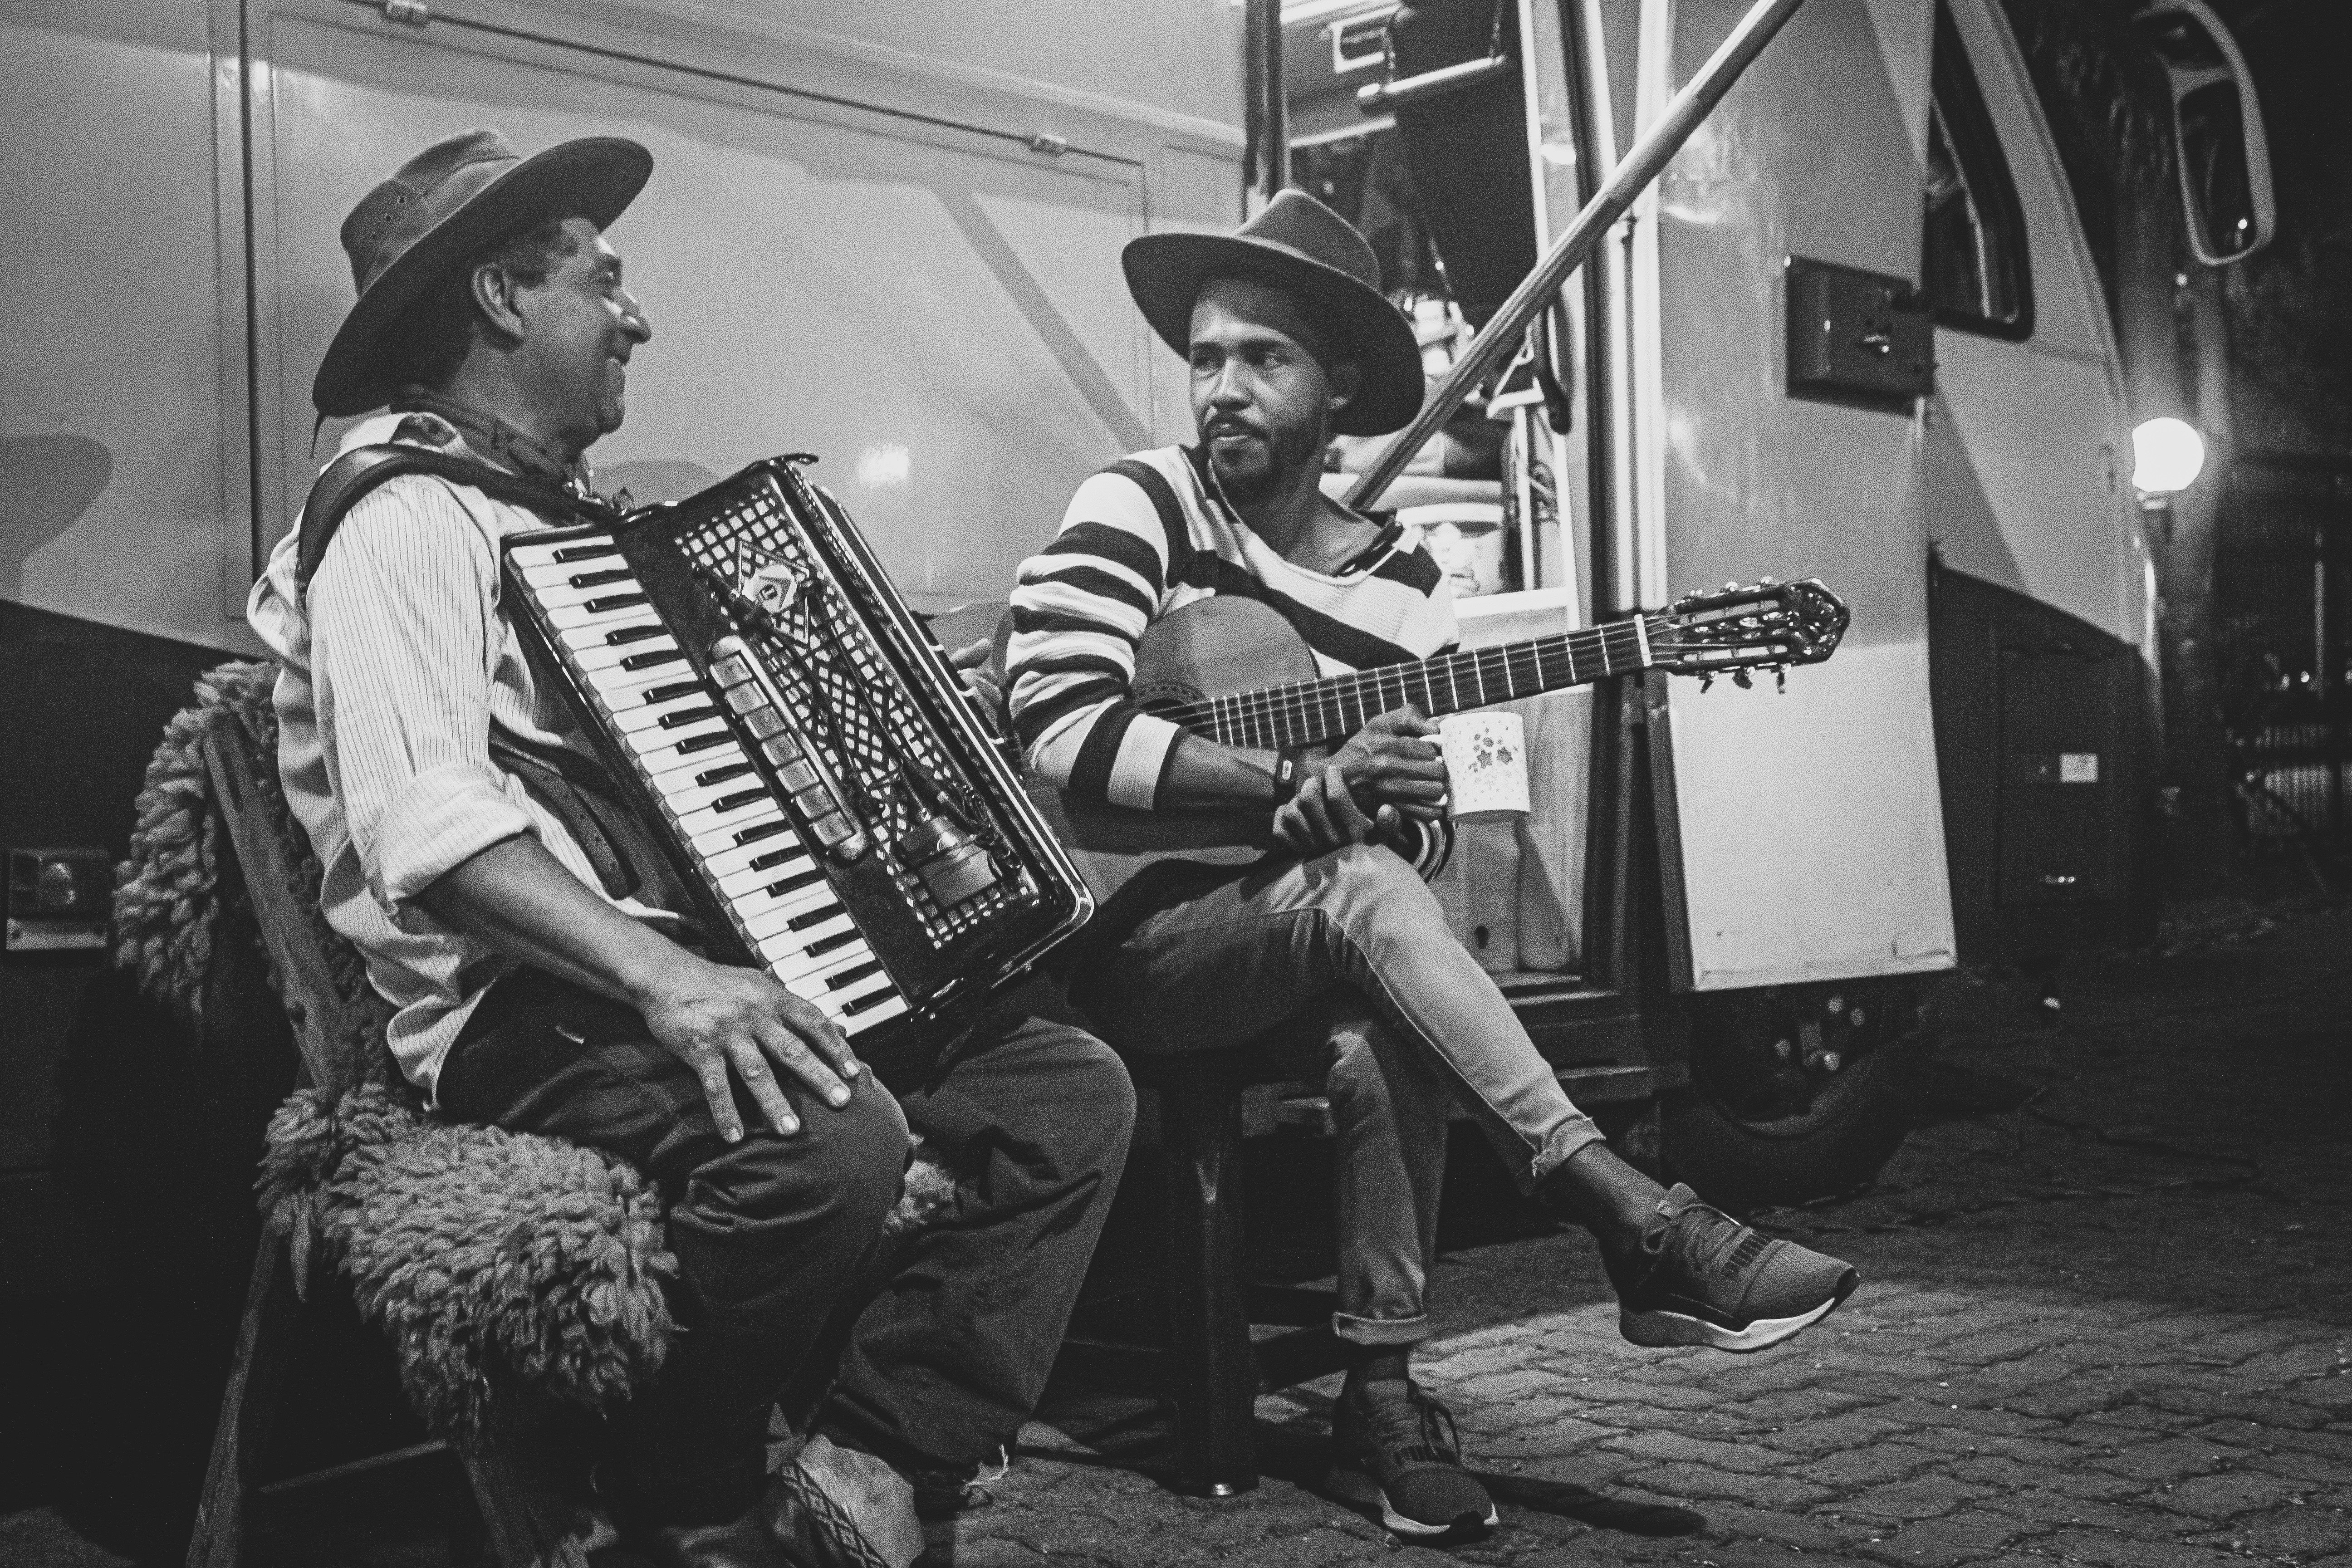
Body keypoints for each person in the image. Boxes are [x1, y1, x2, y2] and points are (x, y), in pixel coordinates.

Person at [249, 128, 1135, 1568]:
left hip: (676, 963)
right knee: (834, 1144)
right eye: (604, 282)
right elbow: (432, 826)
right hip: (517, 1010)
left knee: (1066, 1090)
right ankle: (681, 1487)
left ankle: (873, 1460)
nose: (634, 316)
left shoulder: (557, 525)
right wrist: (674, 986)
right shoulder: (403, 520)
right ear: (498, 298)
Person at [1005, 191, 1860, 1542]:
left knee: (1377, 1017)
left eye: (1261, 360)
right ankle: (1631, 1217)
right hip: (1120, 949)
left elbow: (1419, 834)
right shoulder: (1144, 497)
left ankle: (1383, 1393)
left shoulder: (1410, 585)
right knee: (1363, 903)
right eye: (1206, 357)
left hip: (1302, 939)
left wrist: (1383, 799)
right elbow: (1053, 725)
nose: (1220, 389)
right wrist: (1297, 786)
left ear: (1341, 382)